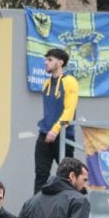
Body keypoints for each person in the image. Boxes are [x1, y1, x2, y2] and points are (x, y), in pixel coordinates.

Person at [34, 47, 79, 194]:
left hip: (63, 136)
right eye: (46, 60)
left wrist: (55, 130)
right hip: (45, 134)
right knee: (41, 174)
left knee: (69, 177)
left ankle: (74, 203)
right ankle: (37, 205)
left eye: (50, 60)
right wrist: (48, 130)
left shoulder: (70, 81)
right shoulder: (47, 84)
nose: (46, 63)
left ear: (60, 63)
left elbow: (69, 111)